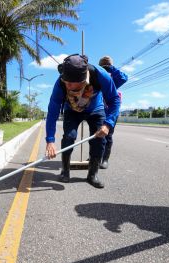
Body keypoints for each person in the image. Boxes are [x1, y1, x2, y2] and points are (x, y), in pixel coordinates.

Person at [45, 54, 120, 189]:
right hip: (72, 110)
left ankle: (92, 174)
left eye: (71, 83)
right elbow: (52, 111)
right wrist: (50, 140)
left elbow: (114, 99)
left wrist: (108, 124)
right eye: (65, 81)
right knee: (69, 137)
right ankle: (65, 171)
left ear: (82, 79)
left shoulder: (101, 75)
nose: (67, 85)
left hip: (95, 109)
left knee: (99, 140)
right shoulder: (61, 82)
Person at [98, 56, 128, 169]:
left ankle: (105, 159)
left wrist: (112, 69)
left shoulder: (113, 78)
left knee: (108, 136)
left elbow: (124, 78)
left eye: (107, 65)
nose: (105, 68)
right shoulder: (98, 76)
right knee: (96, 135)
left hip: (111, 112)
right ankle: (95, 156)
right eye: (103, 66)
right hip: (98, 110)